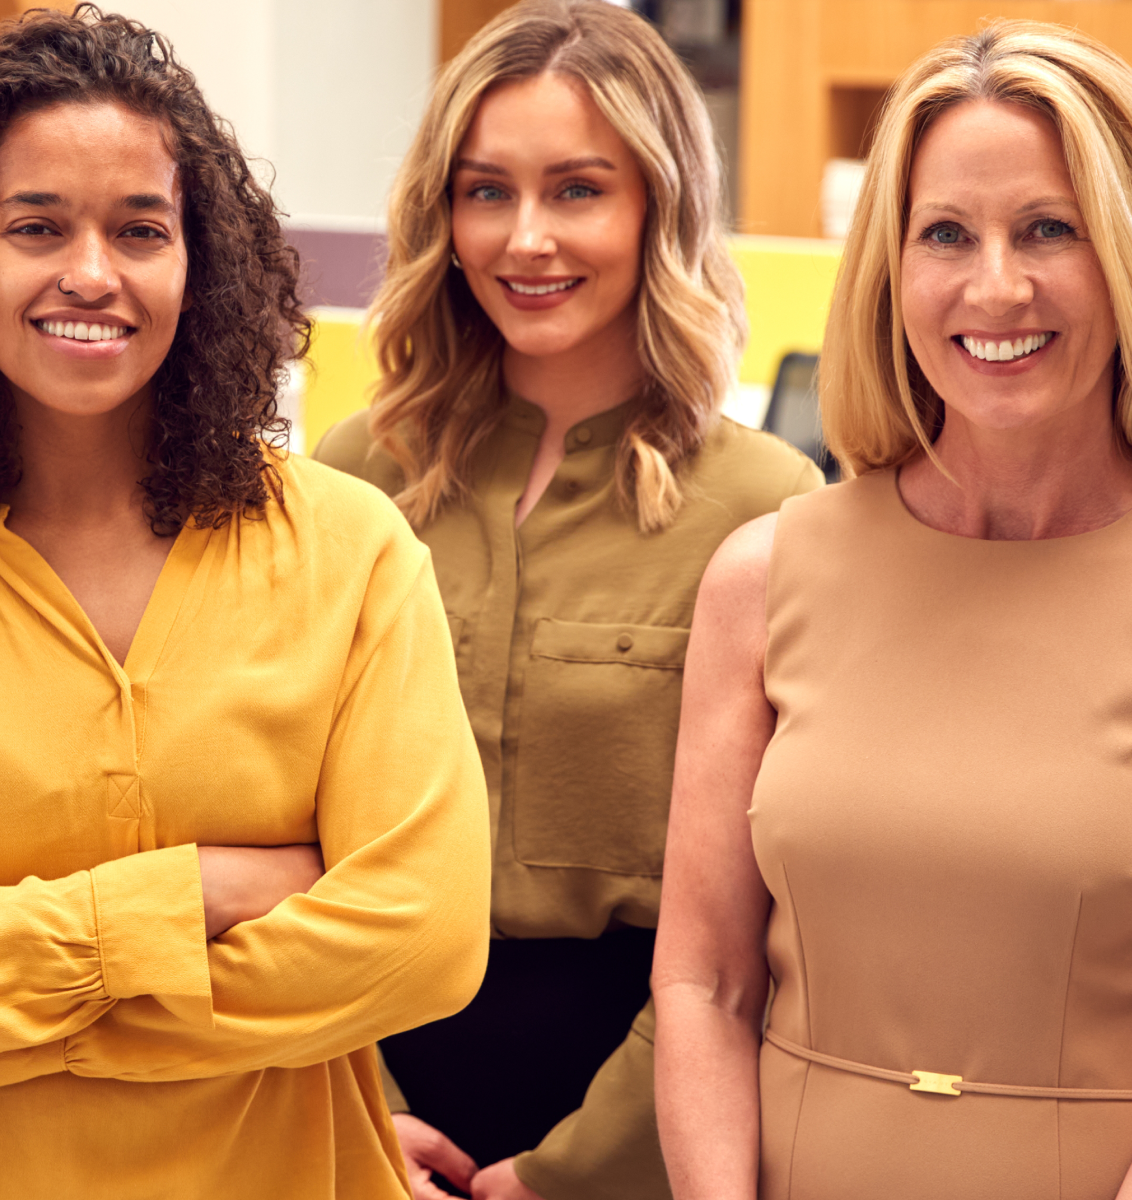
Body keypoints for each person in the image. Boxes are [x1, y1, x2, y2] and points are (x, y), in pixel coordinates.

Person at [0, 8, 491, 1197]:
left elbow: (428, 943)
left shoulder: (352, 551)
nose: (92, 272)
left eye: (141, 228)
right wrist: (192, 897)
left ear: (201, 262)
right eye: (36, 226)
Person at [655, 22, 1132, 1200]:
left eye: (1048, 231)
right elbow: (702, 988)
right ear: (891, 269)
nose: (996, 287)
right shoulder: (761, 578)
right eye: (946, 235)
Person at [315, 3, 819, 1197]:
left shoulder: (768, 507)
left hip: (645, 1101)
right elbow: (283, 828)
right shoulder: (352, 478)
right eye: (487, 192)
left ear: (660, 207)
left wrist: (581, 1173)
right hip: (354, 1077)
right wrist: (350, 1114)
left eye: (579, 190)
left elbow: (773, 916)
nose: (525, 238)